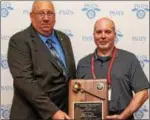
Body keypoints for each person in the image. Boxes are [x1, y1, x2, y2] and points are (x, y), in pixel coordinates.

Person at [7, 0, 76, 119]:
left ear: (55, 16)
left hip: (63, 113)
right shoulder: (19, 41)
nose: (45, 18)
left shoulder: (64, 38)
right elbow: (25, 82)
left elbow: (69, 76)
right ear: (31, 16)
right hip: (31, 115)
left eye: (50, 13)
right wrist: (53, 112)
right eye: (40, 13)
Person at [77, 17, 149, 120]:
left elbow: (143, 93)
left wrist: (122, 116)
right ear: (94, 36)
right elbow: (77, 95)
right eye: (99, 32)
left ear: (115, 35)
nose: (103, 36)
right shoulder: (82, 63)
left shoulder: (129, 59)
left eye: (107, 32)